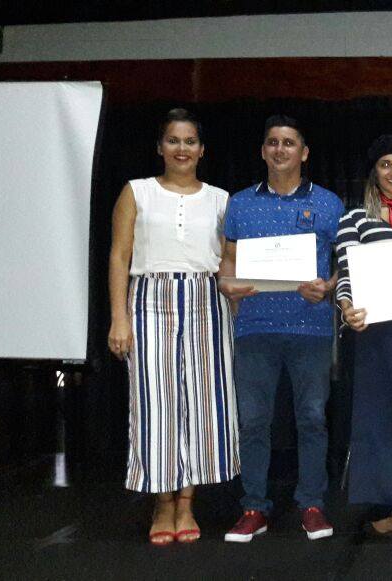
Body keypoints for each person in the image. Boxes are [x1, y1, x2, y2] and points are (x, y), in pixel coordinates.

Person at [107, 108, 239, 545]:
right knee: (155, 401)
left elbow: (229, 263)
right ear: (160, 147)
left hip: (206, 300)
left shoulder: (221, 199)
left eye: (190, 141)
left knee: (202, 402)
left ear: (202, 150)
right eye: (173, 140)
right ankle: (162, 504)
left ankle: (187, 503)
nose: (182, 149)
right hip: (149, 300)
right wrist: (119, 318)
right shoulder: (137, 192)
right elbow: (119, 257)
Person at [219, 114, 344, 542]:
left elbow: (339, 270)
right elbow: (228, 264)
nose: (280, 149)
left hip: (310, 329)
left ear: (304, 153)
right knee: (253, 422)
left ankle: (312, 503)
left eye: (289, 142)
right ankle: (254, 506)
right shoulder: (239, 203)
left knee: (311, 419)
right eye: (272, 142)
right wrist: (227, 284)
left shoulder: (329, 203)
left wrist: (326, 288)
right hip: (254, 328)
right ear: (262, 151)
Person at [335, 134, 392, 537]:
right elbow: (344, 277)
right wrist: (346, 310)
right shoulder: (355, 218)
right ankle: (383, 503)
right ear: (375, 171)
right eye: (386, 165)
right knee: (380, 423)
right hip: (373, 333)